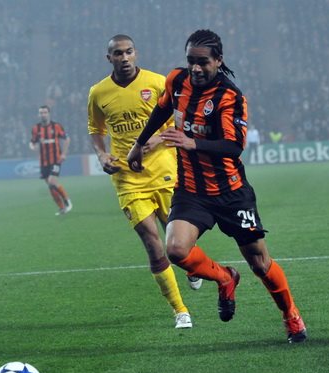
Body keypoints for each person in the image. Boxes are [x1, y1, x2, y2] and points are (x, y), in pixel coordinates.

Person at [127, 29, 307, 343]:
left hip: (231, 193)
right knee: (176, 250)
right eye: (191, 61)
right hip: (192, 190)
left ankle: (290, 315)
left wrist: (192, 142)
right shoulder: (177, 80)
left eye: (203, 62)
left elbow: (233, 146)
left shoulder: (230, 96)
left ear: (218, 60)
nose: (195, 68)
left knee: (259, 263)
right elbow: (163, 108)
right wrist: (139, 143)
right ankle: (225, 277)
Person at [87, 34, 198, 330]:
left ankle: (191, 267)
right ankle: (180, 310)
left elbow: (179, 122)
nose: (124, 58)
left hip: (164, 171)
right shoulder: (98, 92)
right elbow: (95, 129)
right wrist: (101, 154)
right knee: (152, 243)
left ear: (135, 53)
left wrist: (157, 139)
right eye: (118, 53)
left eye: (128, 52)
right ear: (109, 58)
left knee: (179, 240)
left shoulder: (158, 82)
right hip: (127, 178)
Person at [29, 105, 73, 216]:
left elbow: (67, 139)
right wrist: (32, 147)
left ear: (49, 114)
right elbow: (32, 142)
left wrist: (64, 154)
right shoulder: (36, 128)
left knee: (52, 182)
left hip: (55, 160)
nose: (43, 114)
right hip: (43, 162)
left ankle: (67, 201)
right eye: (41, 113)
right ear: (39, 114)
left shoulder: (56, 126)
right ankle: (62, 208)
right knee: (50, 186)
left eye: (45, 112)